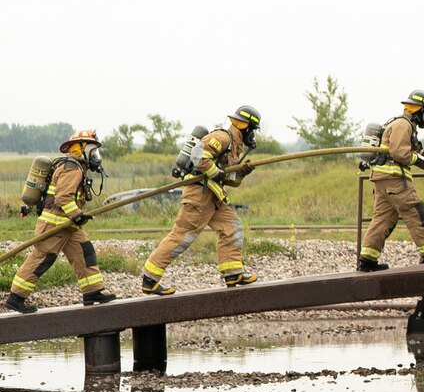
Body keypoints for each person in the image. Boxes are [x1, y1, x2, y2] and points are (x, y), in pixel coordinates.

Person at [142, 105, 262, 295]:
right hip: (199, 195)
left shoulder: (234, 148)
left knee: (232, 228)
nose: (252, 136)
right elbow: (200, 157)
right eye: (253, 130)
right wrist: (217, 174)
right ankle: (150, 278)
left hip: (214, 197)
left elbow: (227, 179)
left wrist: (241, 173)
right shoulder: (222, 138)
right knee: (182, 236)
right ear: (245, 126)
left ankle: (233, 273)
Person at [7, 130, 117, 313]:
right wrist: (77, 215)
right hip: (55, 223)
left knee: (84, 252)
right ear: (81, 149)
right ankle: (15, 298)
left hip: (69, 226)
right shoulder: (72, 167)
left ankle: (92, 291)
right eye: (93, 151)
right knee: (42, 259)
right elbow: (63, 197)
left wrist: (75, 218)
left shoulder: (78, 167)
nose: (96, 156)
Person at [358, 90, 424, 271]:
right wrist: (417, 159)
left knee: (382, 221)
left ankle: (367, 261)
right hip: (395, 181)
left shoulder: (403, 125)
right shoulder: (403, 125)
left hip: (383, 181)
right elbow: (402, 154)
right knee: (416, 211)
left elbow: (419, 159)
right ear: (419, 110)